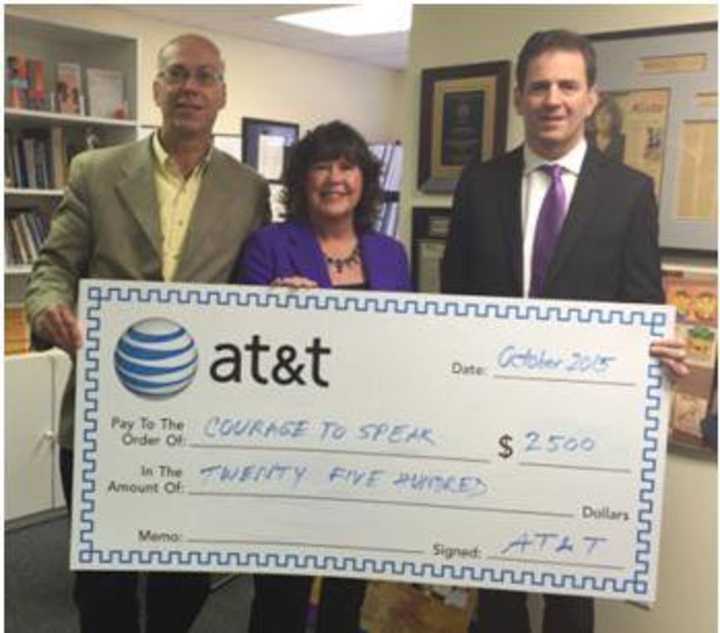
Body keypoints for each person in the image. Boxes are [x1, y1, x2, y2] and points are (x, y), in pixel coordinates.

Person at [441, 29, 688, 633]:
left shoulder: (630, 193)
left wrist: (661, 347)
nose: (553, 98)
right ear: (521, 97)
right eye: (540, 86)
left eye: (567, 86)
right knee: (496, 579)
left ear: (591, 98)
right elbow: (455, 298)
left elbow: (641, 303)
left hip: (581, 430)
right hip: (493, 419)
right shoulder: (480, 184)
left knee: (570, 594)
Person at [24, 33, 269, 633]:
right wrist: (48, 305)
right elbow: (54, 265)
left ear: (222, 95)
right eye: (178, 74)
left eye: (205, 77)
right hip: (103, 417)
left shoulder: (249, 190)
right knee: (102, 582)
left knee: (182, 578)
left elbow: (250, 289)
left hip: (196, 420)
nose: (191, 87)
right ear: (157, 88)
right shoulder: (95, 171)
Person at [236, 120, 411, 633]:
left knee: (348, 583)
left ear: (364, 180)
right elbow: (237, 343)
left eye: (347, 166)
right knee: (280, 589)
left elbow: (408, 345)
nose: (335, 178)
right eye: (321, 166)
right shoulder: (268, 246)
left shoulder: (390, 254)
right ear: (300, 180)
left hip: (364, 441)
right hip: (288, 442)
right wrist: (270, 311)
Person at [586, 92, 625, 162]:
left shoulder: (621, 142)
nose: (601, 118)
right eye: (598, 114)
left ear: (614, 117)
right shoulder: (585, 139)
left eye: (606, 113)